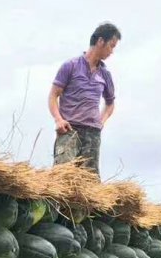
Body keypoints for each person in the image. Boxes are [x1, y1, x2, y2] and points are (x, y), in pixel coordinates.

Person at [49, 23, 121, 175]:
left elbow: (110, 104)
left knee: (89, 182)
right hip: (69, 129)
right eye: (111, 46)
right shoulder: (71, 66)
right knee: (62, 175)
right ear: (101, 41)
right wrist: (58, 120)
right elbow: (53, 95)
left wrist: (101, 122)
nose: (112, 52)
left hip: (92, 134)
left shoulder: (105, 75)